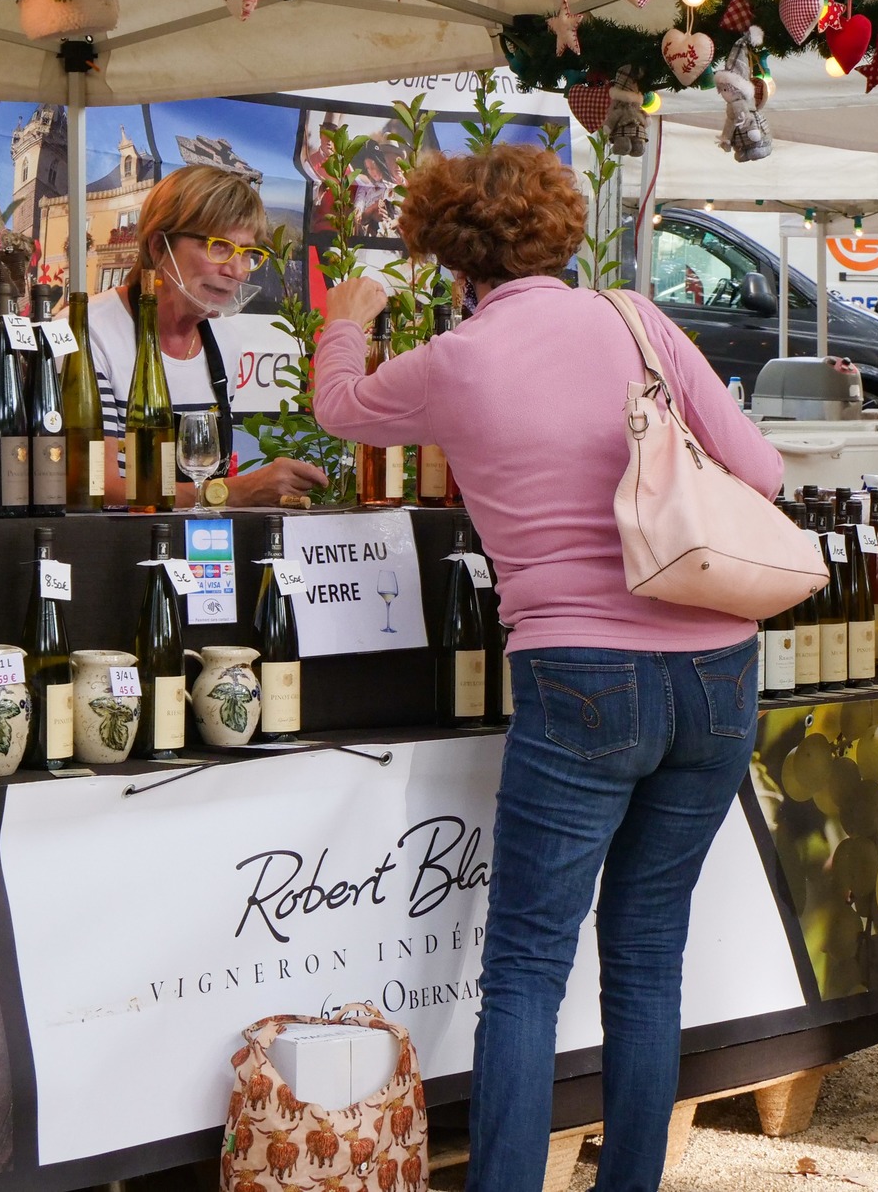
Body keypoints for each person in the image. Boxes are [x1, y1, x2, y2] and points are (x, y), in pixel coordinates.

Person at [311, 143, 782, 1192]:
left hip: (578, 669)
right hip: (714, 663)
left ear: (445, 251)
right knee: (648, 954)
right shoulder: (634, 319)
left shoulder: (458, 359)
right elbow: (759, 470)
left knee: (526, 965)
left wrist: (346, 315)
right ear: (559, 229)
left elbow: (337, 408)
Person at [86, 165, 327, 508]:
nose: (237, 270)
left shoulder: (224, 341)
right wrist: (234, 492)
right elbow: (96, 487)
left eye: (248, 253)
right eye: (219, 247)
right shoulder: (90, 331)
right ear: (158, 246)